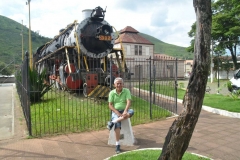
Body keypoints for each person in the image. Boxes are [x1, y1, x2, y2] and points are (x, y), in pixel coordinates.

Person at [107, 77, 134, 154]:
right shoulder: (112, 93)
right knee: (117, 126)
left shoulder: (127, 91)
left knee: (131, 111)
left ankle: (113, 122)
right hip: (116, 111)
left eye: (120, 83)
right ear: (114, 85)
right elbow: (110, 105)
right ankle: (117, 145)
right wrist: (117, 112)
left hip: (125, 110)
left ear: (123, 84)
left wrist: (125, 111)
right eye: (117, 83)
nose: (119, 85)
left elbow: (128, 101)